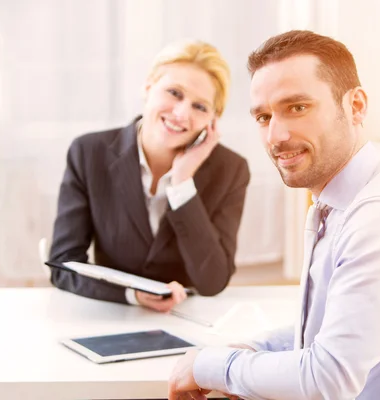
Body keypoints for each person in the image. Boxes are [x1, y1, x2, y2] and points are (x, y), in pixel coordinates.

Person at [167, 30, 380, 399]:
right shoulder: (339, 202)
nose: (276, 135)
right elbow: (325, 330)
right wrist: (249, 351)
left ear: (355, 106)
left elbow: (328, 378)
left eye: (297, 108)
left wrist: (208, 367)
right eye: (263, 116)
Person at [49, 39, 250, 312]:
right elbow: (64, 265)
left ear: (213, 121)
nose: (181, 114)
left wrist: (182, 183)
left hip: (187, 319)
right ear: (148, 87)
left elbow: (212, 282)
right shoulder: (88, 153)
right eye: (174, 93)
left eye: (200, 107)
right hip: (112, 316)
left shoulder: (231, 170)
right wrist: (132, 295)